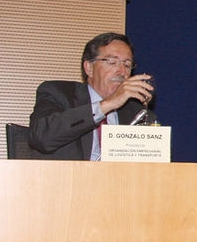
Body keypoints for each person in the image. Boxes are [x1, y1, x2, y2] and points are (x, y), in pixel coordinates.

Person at [28, 32, 155, 160]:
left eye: (127, 65)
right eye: (112, 62)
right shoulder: (58, 93)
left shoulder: (136, 112)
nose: (122, 72)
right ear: (89, 68)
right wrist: (107, 105)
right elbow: (41, 137)